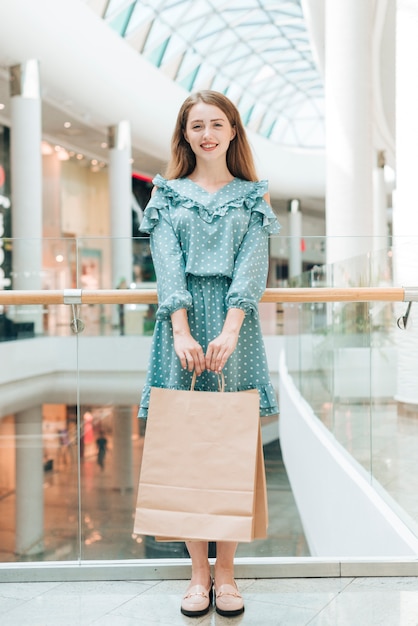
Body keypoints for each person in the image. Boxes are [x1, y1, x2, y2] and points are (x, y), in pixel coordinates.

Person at [138, 90, 280, 618]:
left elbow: (251, 266)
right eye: (196, 126)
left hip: (234, 329)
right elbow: (166, 264)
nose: (207, 134)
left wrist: (230, 327)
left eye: (216, 124)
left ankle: (227, 574)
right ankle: (197, 574)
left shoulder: (252, 196)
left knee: (231, 446)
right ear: (185, 135)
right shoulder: (167, 195)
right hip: (180, 328)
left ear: (233, 131)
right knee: (185, 443)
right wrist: (180, 329)